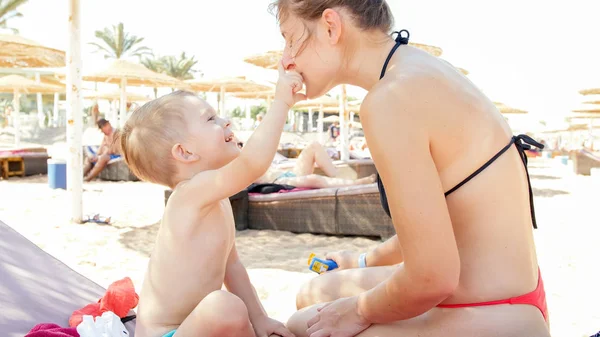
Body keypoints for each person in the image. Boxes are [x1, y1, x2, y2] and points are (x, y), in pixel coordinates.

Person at [272, 1, 550, 336]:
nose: (285, 60)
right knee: (313, 293)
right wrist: (363, 262)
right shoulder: (421, 69)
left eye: (289, 39)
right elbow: (445, 221)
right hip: (515, 296)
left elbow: (433, 276)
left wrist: (358, 311)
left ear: (331, 26)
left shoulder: (391, 99)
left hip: (491, 313)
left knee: (303, 324)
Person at [117, 62, 304, 337]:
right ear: (185, 152)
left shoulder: (217, 198)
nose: (225, 121)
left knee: (228, 308)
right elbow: (252, 164)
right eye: (210, 119)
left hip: (198, 329)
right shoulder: (189, 195)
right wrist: (281, 102)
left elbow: (233, 267)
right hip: (167, 334)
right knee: (223, 306)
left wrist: (260, 318)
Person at [252, 141, 376, 188]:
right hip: (279, 181)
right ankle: (355, 184)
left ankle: (337, 179)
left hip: (285, 174)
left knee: (314, 146)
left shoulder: (246, 156)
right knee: (313, 179)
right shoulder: (238, 167)